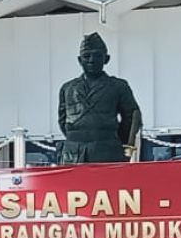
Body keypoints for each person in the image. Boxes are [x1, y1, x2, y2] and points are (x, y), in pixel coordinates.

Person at [56, 32, 142, 164]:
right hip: (73, 153)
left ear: (106, 59)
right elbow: (63, 121)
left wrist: (122, 146)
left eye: (97, 55)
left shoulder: (118, 86)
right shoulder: (67, 88)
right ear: (79, 60)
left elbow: (131, 118)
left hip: (107, 151)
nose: (91, 60)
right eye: (87, 56)